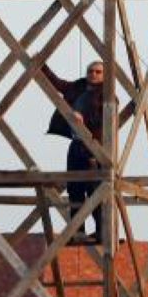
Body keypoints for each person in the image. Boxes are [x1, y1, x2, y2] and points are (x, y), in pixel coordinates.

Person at [42, 60, 107, 246]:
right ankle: (77, 231)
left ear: (104, 75)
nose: (93, 74)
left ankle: (102, 232)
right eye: (91, 71)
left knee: (95, 191)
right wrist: (42, 67)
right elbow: (60, 84)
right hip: (77, 145)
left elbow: (105, 123)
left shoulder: (107, 96)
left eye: (98, 72)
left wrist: (83, 120)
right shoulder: (79, 87)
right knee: (75, 190)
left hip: (95, 147)